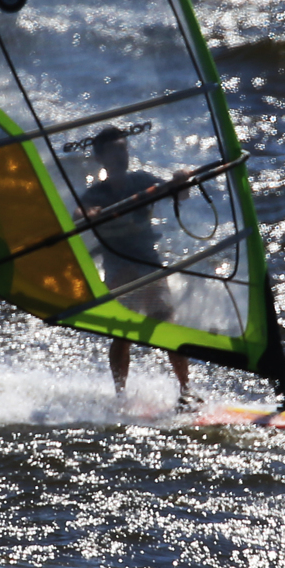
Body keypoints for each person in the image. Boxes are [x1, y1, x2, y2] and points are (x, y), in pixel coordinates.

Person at [79, 125, 200, 408]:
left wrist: (181, 181)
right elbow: (80, 213)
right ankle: (121, 397)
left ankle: (186, 391)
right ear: (101, 159)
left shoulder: (142, 180)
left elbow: (179, 195)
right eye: (114, 151)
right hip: (119, 268)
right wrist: (89, 214)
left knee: (166, 323)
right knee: (123, 335)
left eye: (124, 148)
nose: (122, 155)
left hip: (148, 263)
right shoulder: (96, 193)